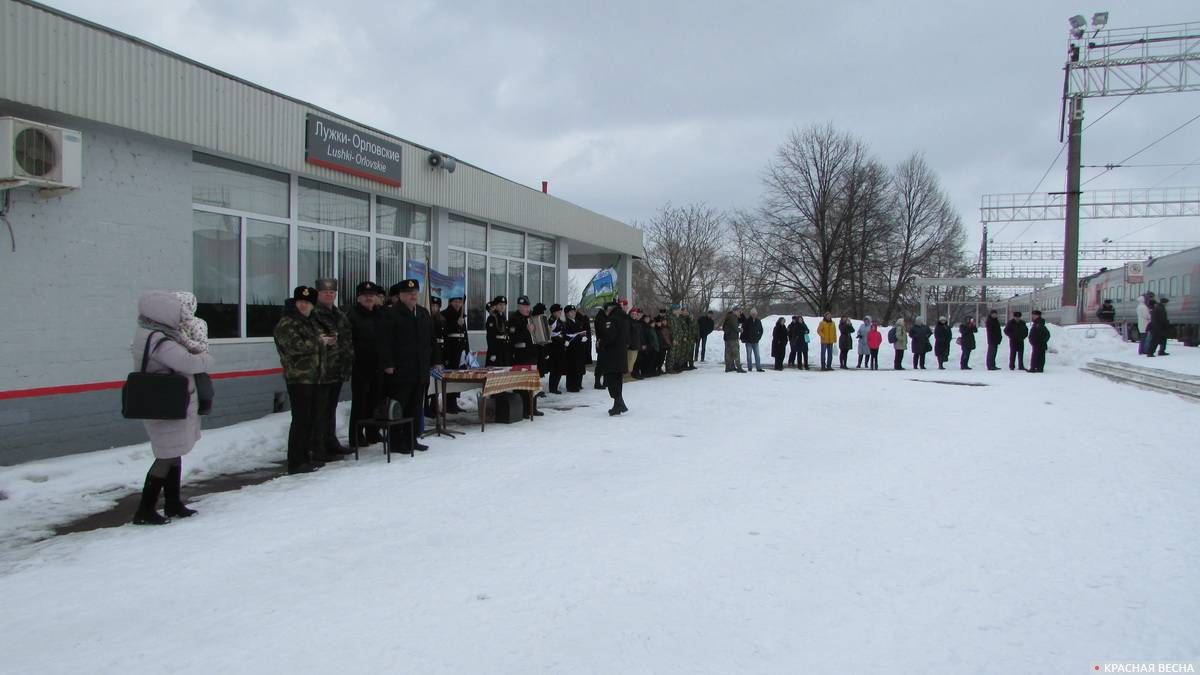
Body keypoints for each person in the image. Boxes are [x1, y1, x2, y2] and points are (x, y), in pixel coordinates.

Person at [131, 291, 215, 525]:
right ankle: (145, 509)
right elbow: (188, 362)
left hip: (170, 403)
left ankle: (173, 502)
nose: (182, 319)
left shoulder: (153, 333)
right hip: (165, 404)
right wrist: (207, 359)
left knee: (173, 451)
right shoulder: (159, 340)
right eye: (179, 314)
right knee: (166, 455)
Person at [380, 279, 441, 453]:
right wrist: (388, 364)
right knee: (399, 406)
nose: (413, 296)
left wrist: (437, 361)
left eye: (415, 293)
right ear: (400, 295)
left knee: (415, 406)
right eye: (409, 294)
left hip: (420, 370)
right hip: (400, 370)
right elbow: (384, 342)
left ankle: (411, 438)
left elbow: (431, 340)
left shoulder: (422, 313)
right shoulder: (391, 314)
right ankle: (396, 441)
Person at [274, 286, 329, 475]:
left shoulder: (310, 322)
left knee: (310, 419)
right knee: (301, 420)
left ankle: (306, 457)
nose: (304, 305)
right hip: (298, 378)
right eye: (301, 302)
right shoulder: (287, 323)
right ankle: (296, 461)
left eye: (307, 303)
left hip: (313, 378)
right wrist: (321, 341)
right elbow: (295, 346)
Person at [312, 278, 354, 458]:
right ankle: (318, 446)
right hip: (320, 371)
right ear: (318, 294)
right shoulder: (313, 314)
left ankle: (330, 441)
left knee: (330, 409)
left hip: (337, 369)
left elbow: (346, 339)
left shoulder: (339, 314)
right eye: (325, 292)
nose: (329, 295)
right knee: (319, 411)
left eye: (332, 293)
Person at [347, 281, 387, 447]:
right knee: (360, 403)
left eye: (372, 296)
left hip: (378, 366)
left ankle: (372, 432)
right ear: (358, 298)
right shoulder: (352, 315)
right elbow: (348, 342)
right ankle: (356, 436)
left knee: (375, 401)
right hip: (360, 366)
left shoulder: (379, 314)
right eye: (365, 296)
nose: (369, 298)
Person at [508, 295, 543, 416]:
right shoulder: (514, 319)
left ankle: (532, 408)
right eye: (524, 306)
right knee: (522, 383)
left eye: (528, 306)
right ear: (519, 307)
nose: (527, 309)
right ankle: (523, 409)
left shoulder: (532, 317)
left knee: (532, 382)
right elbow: (513, 338)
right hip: (521, 356)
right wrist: (526, 330)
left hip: (532, 354)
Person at [594, 300, 631, 415]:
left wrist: (602, 342)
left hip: (612, 354)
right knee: (617, 379)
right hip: (621, 353)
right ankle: (619, 404)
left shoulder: (613, 319)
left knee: (611, 379)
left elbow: (610, 336)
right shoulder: (625, 318)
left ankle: (618, 404)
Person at [563, 305, 590, 392]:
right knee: (572, 368)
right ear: (567, 314)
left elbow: (581, 331)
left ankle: (578, 384)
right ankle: (571, 386)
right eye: (571, 312)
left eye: (574, 311)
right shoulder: (566, 323)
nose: (573, 313)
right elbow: (567, 335)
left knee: (579, 367)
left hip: (579, 348)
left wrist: (583, 337)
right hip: (572, 349)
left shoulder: (578, 322)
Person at [485, 296, 512, 366]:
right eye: (500, 305)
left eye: (504, 305)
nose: (502, 307)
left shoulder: (503, 317)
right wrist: (492, 352)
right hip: (497, 349)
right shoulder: (492, 318)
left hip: (505, 349)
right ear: (496, 306)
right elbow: (490, 337)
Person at [547, 304, 567, 394]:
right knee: (555, 368)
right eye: (558, 311)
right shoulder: (551, 320)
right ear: (554, 312)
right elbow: (549, 333)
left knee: (559, 367)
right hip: (554, 347)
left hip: (561, 346)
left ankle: (555, 386)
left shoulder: (560, 321)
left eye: (560, 311)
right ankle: (552, 387)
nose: (560, 313)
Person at [722, 309, 745, 373]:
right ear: (735, 311)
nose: (739, 314)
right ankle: (739, 368)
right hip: (733, 338)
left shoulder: (728, 316)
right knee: (736, 353)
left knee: (728, 353)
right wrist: (740, 330)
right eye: (738, 312)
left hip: (727, 338)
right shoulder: (733, 317)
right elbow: (735, 328)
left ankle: (728, 367)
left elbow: (724, 327)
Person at [626, 307, 645, 378]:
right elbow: (628, 334)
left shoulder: (636, 322)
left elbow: (639, 335)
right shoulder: (629, 322)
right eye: (633, 314)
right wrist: (628, 343)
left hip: (636, 344)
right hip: (631, 345)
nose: (634, 315)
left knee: (633, 360)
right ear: (630, 314)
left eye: (635, 314)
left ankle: (629, 374)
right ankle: (627, 375)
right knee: (629, 360)